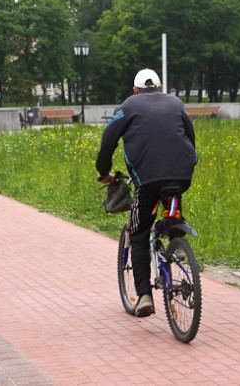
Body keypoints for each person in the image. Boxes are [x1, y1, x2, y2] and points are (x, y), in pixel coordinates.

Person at [96, 68, 197, 317]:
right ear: (160, 88)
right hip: (181, 175)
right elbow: (190, 135)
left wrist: (104, 170)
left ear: (135, 90)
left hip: (148, 180)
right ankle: (176, 236)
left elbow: (109, 138)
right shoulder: (176, 103)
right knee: (171, 201)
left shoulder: (129, 106)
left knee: (139, 232)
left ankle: (143, 296)